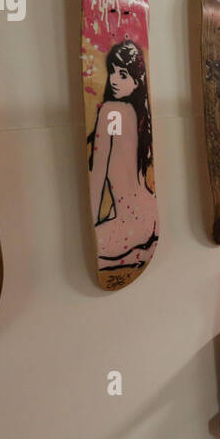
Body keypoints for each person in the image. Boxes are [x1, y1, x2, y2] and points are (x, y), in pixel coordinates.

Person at [88, 40, 159, 272]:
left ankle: (130, 248)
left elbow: (98, 178)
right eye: (112, 72)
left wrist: (94, 224)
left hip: (129, 225)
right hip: (150, 219)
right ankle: (137, 248)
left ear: (137, 81)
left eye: (123, 75)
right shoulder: (141, 114)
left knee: (88, 248)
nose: (114, 80)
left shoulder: (110, 111)